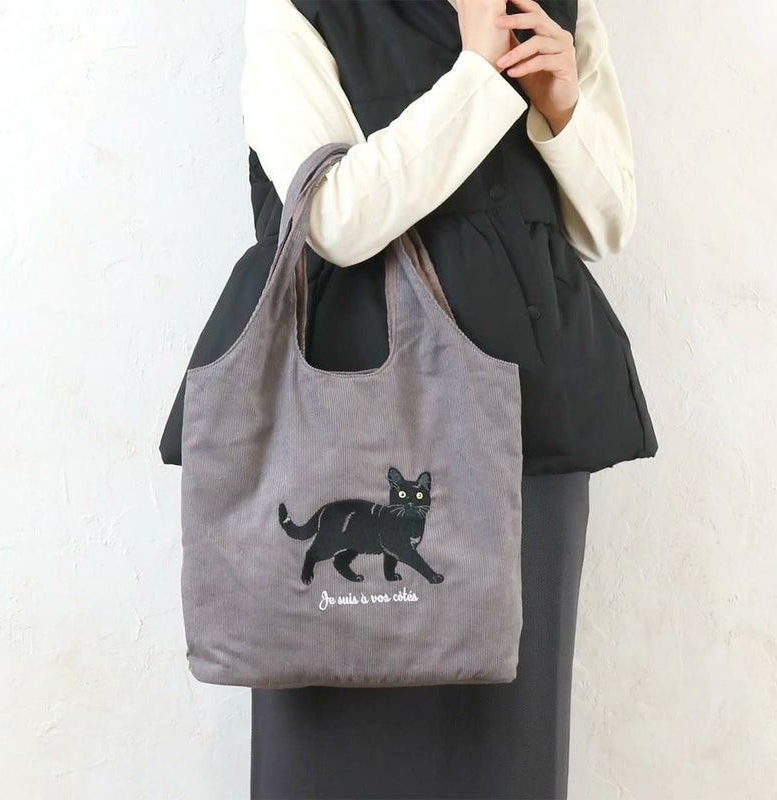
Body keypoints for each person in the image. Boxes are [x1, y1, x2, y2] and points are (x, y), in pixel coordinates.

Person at [160, 0, 658, 797]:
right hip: (341, 429)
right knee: (328, 749)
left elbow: (608, 224)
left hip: (526, 424)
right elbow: (332, 219)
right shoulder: (295, 9)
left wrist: (562, 111)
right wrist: (481, 77)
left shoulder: (555, 8)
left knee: (508, 750)